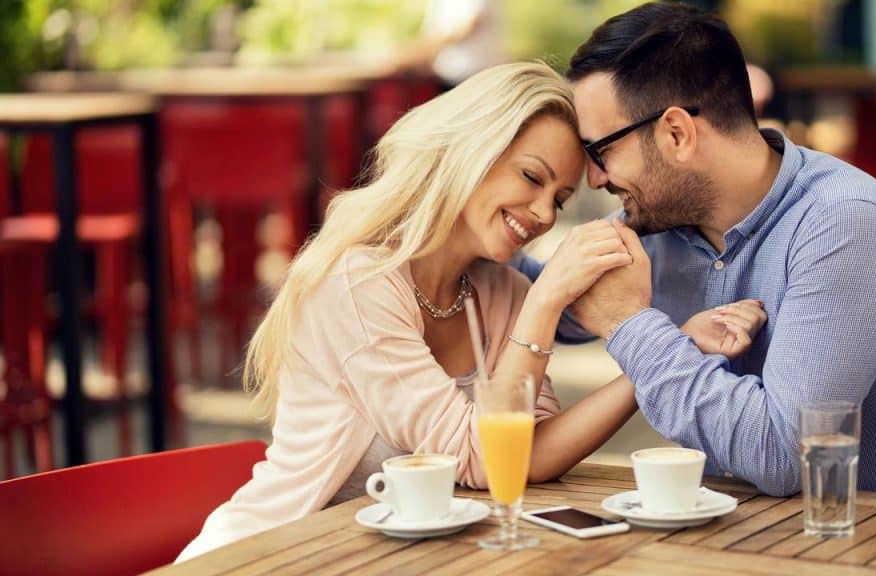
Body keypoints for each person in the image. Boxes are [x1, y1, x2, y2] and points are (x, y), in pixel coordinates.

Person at [177, 61, 764, 562]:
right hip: (273, 553)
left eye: (559, 199)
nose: (541, 214)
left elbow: (523, 456)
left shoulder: (499, 291)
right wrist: (546, 301)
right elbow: (478, 460)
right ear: (472, 149)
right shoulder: (357, 284)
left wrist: (665, 354)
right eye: (531, 177)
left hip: (380, 559)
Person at [517, 2, 876, 499]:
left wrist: (628, 326)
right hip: (714, 542)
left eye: (601, 151)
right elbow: (533, 299)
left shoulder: (844, 225)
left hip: (873, 550)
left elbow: (785, 456)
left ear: (677, 134)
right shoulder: (657, 226)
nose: (594, 178)